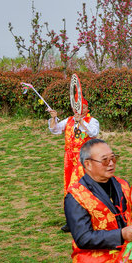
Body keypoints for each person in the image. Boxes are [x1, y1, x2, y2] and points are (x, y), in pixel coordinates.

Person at [49, 98, 100, 231]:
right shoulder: (69, 120)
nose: (79, 110)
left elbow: (93, 133)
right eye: (76, 107)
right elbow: (55, 130)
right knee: (69, 187)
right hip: (69, 158)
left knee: (85, 187)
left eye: (82, 107)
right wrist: (54, 118)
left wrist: (81, 122)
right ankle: (72, 220)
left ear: (86, 108)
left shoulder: (92, 121)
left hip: (84, 158)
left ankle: (90, 218)